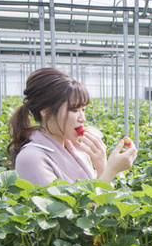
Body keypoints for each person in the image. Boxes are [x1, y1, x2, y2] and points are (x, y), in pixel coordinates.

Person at [7, 68, 137, 186]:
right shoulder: (31, 158)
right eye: (74, 110)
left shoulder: (78, 149)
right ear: (45, 110)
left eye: (83, 109)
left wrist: (101, 164)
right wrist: (111, 170)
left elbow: (101, 203)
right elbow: (69, 211)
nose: (82, 118)